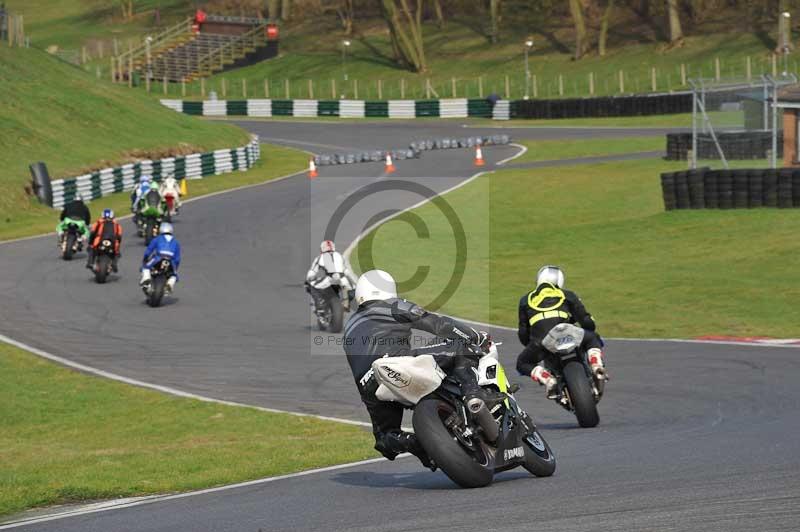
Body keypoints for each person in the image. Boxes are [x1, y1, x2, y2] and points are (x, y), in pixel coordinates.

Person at [342, 269, 490, 469]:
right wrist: (474, 336)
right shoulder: (393, 305)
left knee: (385, 439)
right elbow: (438, 324)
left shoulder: (349, 326)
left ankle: (417, 445)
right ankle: (473, 394)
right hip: (398, 361)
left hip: (369, 385)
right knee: (463, 348)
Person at [516, 265, 607, 398]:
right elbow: (587, 323)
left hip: (542, 342)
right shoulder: (567, 295)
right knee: (593, 337)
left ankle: (546, 378)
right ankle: (596, 364)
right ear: (560, 282)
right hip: (568, 332)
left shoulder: (525, 301)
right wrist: (587, 329)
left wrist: (532, 346)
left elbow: (523, 334)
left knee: (522, 363)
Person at [305, 240, 358, 310]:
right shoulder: (339, 256)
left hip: (329, 280)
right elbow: (346, 271)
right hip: (343, 280)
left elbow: (312, 272)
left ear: (322, 248)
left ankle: (319, 303)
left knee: (309, 285)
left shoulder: (320, 257)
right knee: (352, 290)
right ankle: (346, 303)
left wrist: (309, 278)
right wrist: (354, 284)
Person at [139, 222, 181, 292]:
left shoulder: (157, 238)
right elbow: (177, 258)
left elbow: (149, 250)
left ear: (161, 230)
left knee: (145, 267)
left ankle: (146, 278)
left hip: (158, 258)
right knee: (174, 275)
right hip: (170, 260)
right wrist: (175, 267)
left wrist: (145, 259)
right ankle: (170, 284)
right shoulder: (176, 242)